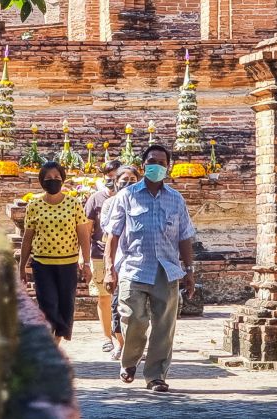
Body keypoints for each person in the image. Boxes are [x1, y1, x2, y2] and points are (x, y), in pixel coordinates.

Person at [104, 144, 196, 392]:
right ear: (144, 165)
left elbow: (185, 236)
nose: (157, 166)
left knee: (164, 326)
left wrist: (189, 270)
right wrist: (108, 269)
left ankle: (156, 376)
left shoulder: (176, 199)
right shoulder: (127, 195)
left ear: (168, 166)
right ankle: (130, 360)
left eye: (162, 162)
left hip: (166, 270)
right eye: (152, 161)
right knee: (134, 318)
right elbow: (112, 235)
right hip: (134, 268)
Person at [20, 161, 92, 344]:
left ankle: (57, 342)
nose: (53, 181)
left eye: (57, 178)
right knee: (48, 304)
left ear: (63, 180)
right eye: (48, 179)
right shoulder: (34, 205)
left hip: (68, 264)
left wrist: (86, 261)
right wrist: (21, 266)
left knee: (65, 306)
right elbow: (27, 238)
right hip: (43, 264)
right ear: (42, 182)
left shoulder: (73, 204)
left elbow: (83, 234)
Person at [99, 165, 139, 361]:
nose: (128, 184)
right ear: (116, 182)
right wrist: (108, 268)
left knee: (138, 310)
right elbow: (109, 234)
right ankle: (121, 343)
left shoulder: (144, 202)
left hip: (139, 261)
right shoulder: (110, 204)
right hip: (119, 261)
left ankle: (134, 345)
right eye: (125, 180)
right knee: (117, 305)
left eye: (133, 180)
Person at [83, 159, 123, 353]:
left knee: (124, 298)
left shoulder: (127, 197)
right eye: (108, 178)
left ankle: (122, 336)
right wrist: (84, 257)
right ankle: (107, 337)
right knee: (104, 297)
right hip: (100, 252)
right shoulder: (96, 199)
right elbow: (88, 228)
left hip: (124, 253)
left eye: (116, 177)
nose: (112, 181)